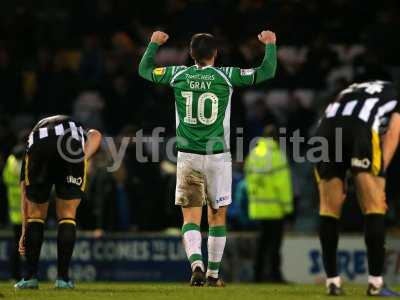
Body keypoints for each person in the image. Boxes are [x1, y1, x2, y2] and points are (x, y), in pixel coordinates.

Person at [138, 30, 277, 286]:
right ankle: (213, 275)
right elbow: (265, 72)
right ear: (216, 53)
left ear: (191, 54)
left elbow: (145, 70)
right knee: (217, 217)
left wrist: (154, 44)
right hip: (217, 157)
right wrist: (270, 45)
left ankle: (197, 265)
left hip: (188, 156)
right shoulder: (226, 77)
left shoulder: (178, 74)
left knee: (191, 218)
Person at [315, 80, 400, 296]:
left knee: (328, 208)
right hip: (359, 127)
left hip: (324, 130)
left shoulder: (353, 89)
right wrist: (379, 174)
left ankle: (332, 282)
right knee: (374, 206)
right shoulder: (395, 93)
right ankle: (375, 284)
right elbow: (392, 132)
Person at [15, 115, 102, 290]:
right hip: (70, 145)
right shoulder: (75, 126)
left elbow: (25, 192)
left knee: (36, 215)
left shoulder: (33, 139)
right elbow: (96, 135)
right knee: (67, 214)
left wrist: (24, 230)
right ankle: (63, 279)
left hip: (40, 147)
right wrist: (82, 157)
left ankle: (30, 278)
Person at [244, 125, 293, 283]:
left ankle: (257, 275)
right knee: (274, 245)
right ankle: (274, 275)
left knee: (262, 244)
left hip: (258, 208)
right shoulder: (277, 155)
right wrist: (288, 208)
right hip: (275, 208)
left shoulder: (254, 154)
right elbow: (283, 185)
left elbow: (249, 181)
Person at [2, 144, 25, 281]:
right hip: (23, 213)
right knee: (22, 247)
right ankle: (22, 276)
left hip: (14, 214)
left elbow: (5, 179)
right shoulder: (20, 165)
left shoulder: (10, 162)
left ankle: (15, 276)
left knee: (17, 246)